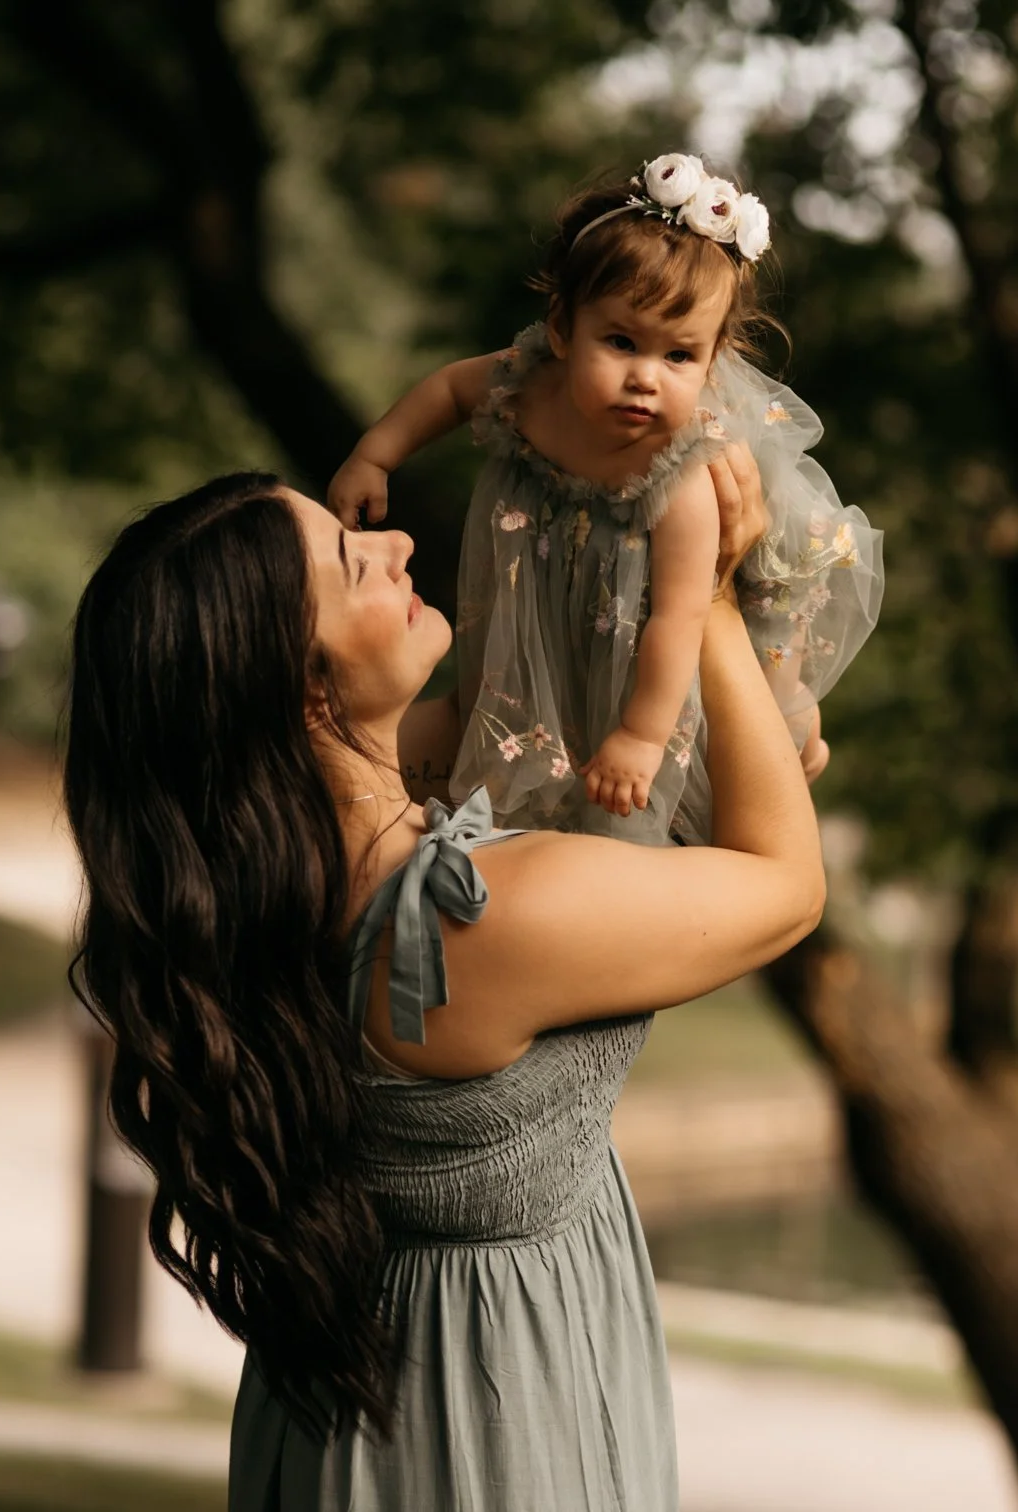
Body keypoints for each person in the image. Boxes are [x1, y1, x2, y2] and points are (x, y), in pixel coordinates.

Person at [63, 463, 823, 1512]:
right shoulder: (475, 920)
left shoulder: (267, 888)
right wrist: (719, 601)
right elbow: (786, 889)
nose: (397, 545)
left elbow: (528, 711)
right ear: (307, 686)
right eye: (350, 561)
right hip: (491, 1420)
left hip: (355, 1404)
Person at [330, 153, 883, 846]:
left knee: (757, 706)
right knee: (542, 701)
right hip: (566, 594)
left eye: (679, 356)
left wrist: (641, 737)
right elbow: (446, 391)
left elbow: (681, 617)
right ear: (562, 329)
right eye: (621, 342)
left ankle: (799, 727)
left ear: (712, 362)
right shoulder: (527, 386)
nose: (645, 378)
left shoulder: (681, 476)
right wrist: (373, 456)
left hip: (674, 615)